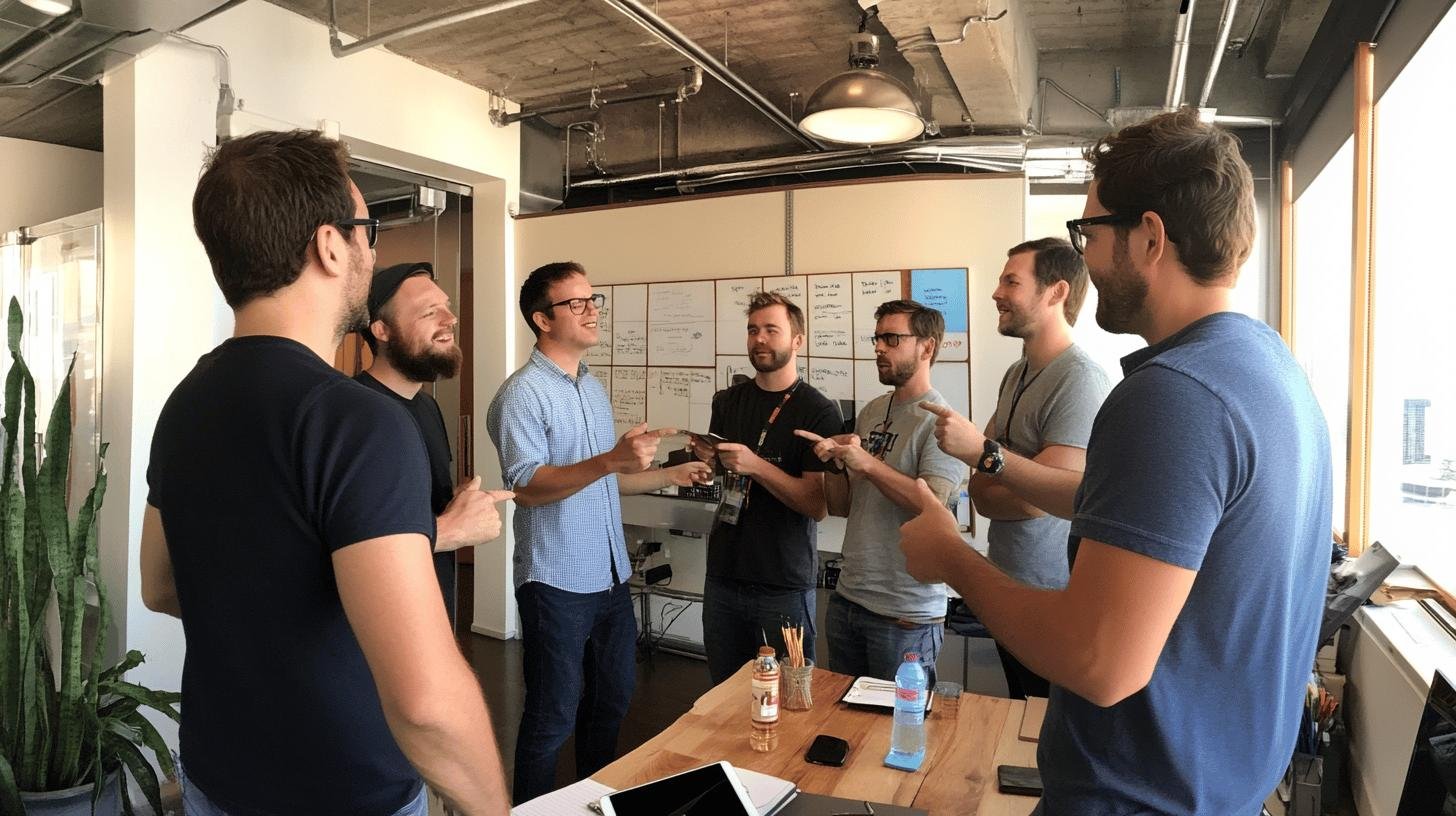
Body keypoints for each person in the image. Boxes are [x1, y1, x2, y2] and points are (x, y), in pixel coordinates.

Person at [903, 108, 1332, 814]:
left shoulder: (1174, 397)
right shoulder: (1269, 370)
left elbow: (1099, 662)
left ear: (1151, 237)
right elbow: (1145, 517)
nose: (1088, 256)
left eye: (1090, 233)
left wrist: (950, 557)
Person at [140, 130, 510, 815]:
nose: (372, 249)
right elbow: (427, 705)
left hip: (213, 780)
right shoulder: (357, 423)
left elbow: (160, 585)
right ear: (330, 245)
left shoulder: (185, 402)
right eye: (367, 229)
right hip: (344, 794)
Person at [487, 261, 711, 804]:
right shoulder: (521, 394)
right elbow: (529, 487)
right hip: (556, 580)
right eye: (577, 303)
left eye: (594, 301)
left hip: (609, 575)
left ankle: (595, 802)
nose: (592, 312)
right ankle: (530, 811)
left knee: (611, 701)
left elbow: (603, 482)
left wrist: (668, 476)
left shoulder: (589, 386)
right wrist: (613, 458)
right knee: (553, 715)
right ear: (542, 319)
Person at [795, 300, 968, 685]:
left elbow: (933, 507)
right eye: (877, 338)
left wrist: (869, 464)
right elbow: (842, 507)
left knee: (898, 733)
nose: (878, 348)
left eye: (892, 338)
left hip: (905, 615)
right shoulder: (872, 411)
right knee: (846, 730)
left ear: (927, 347)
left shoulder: (942, 422)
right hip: (848, 599)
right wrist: (833, 461)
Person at [970, 237, 1110, 699]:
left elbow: (1040, 501)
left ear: (1056, 293)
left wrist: (994, 473)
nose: (996, 293)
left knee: (1040, 737)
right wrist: (997, 475)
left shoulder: (1079, 379)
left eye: (1011, 281)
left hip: (1048, 598)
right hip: (1009, 588)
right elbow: (983, 483)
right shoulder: (1016, 372)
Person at [689, 291, 842, 684]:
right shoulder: (728, 401)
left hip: (783, 583)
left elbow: (816, 504)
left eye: (772, 330)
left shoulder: (819, 410)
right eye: (753, 330)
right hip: (724, 572)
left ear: (797, 340)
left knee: (790, 693)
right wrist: (708, 464)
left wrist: (755, 466)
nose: (760, 339)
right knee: (722, 694)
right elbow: (726, 475)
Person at [356, 261, 510, 626]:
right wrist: (453, 528)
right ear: (382, 330)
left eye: (447, 307)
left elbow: (416, 507)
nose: (450, 319)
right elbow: (356, 541)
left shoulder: (427, 406)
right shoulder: (354, 415)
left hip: (435, 607)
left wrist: (461, 505)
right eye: (430, 311)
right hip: (382, 628)